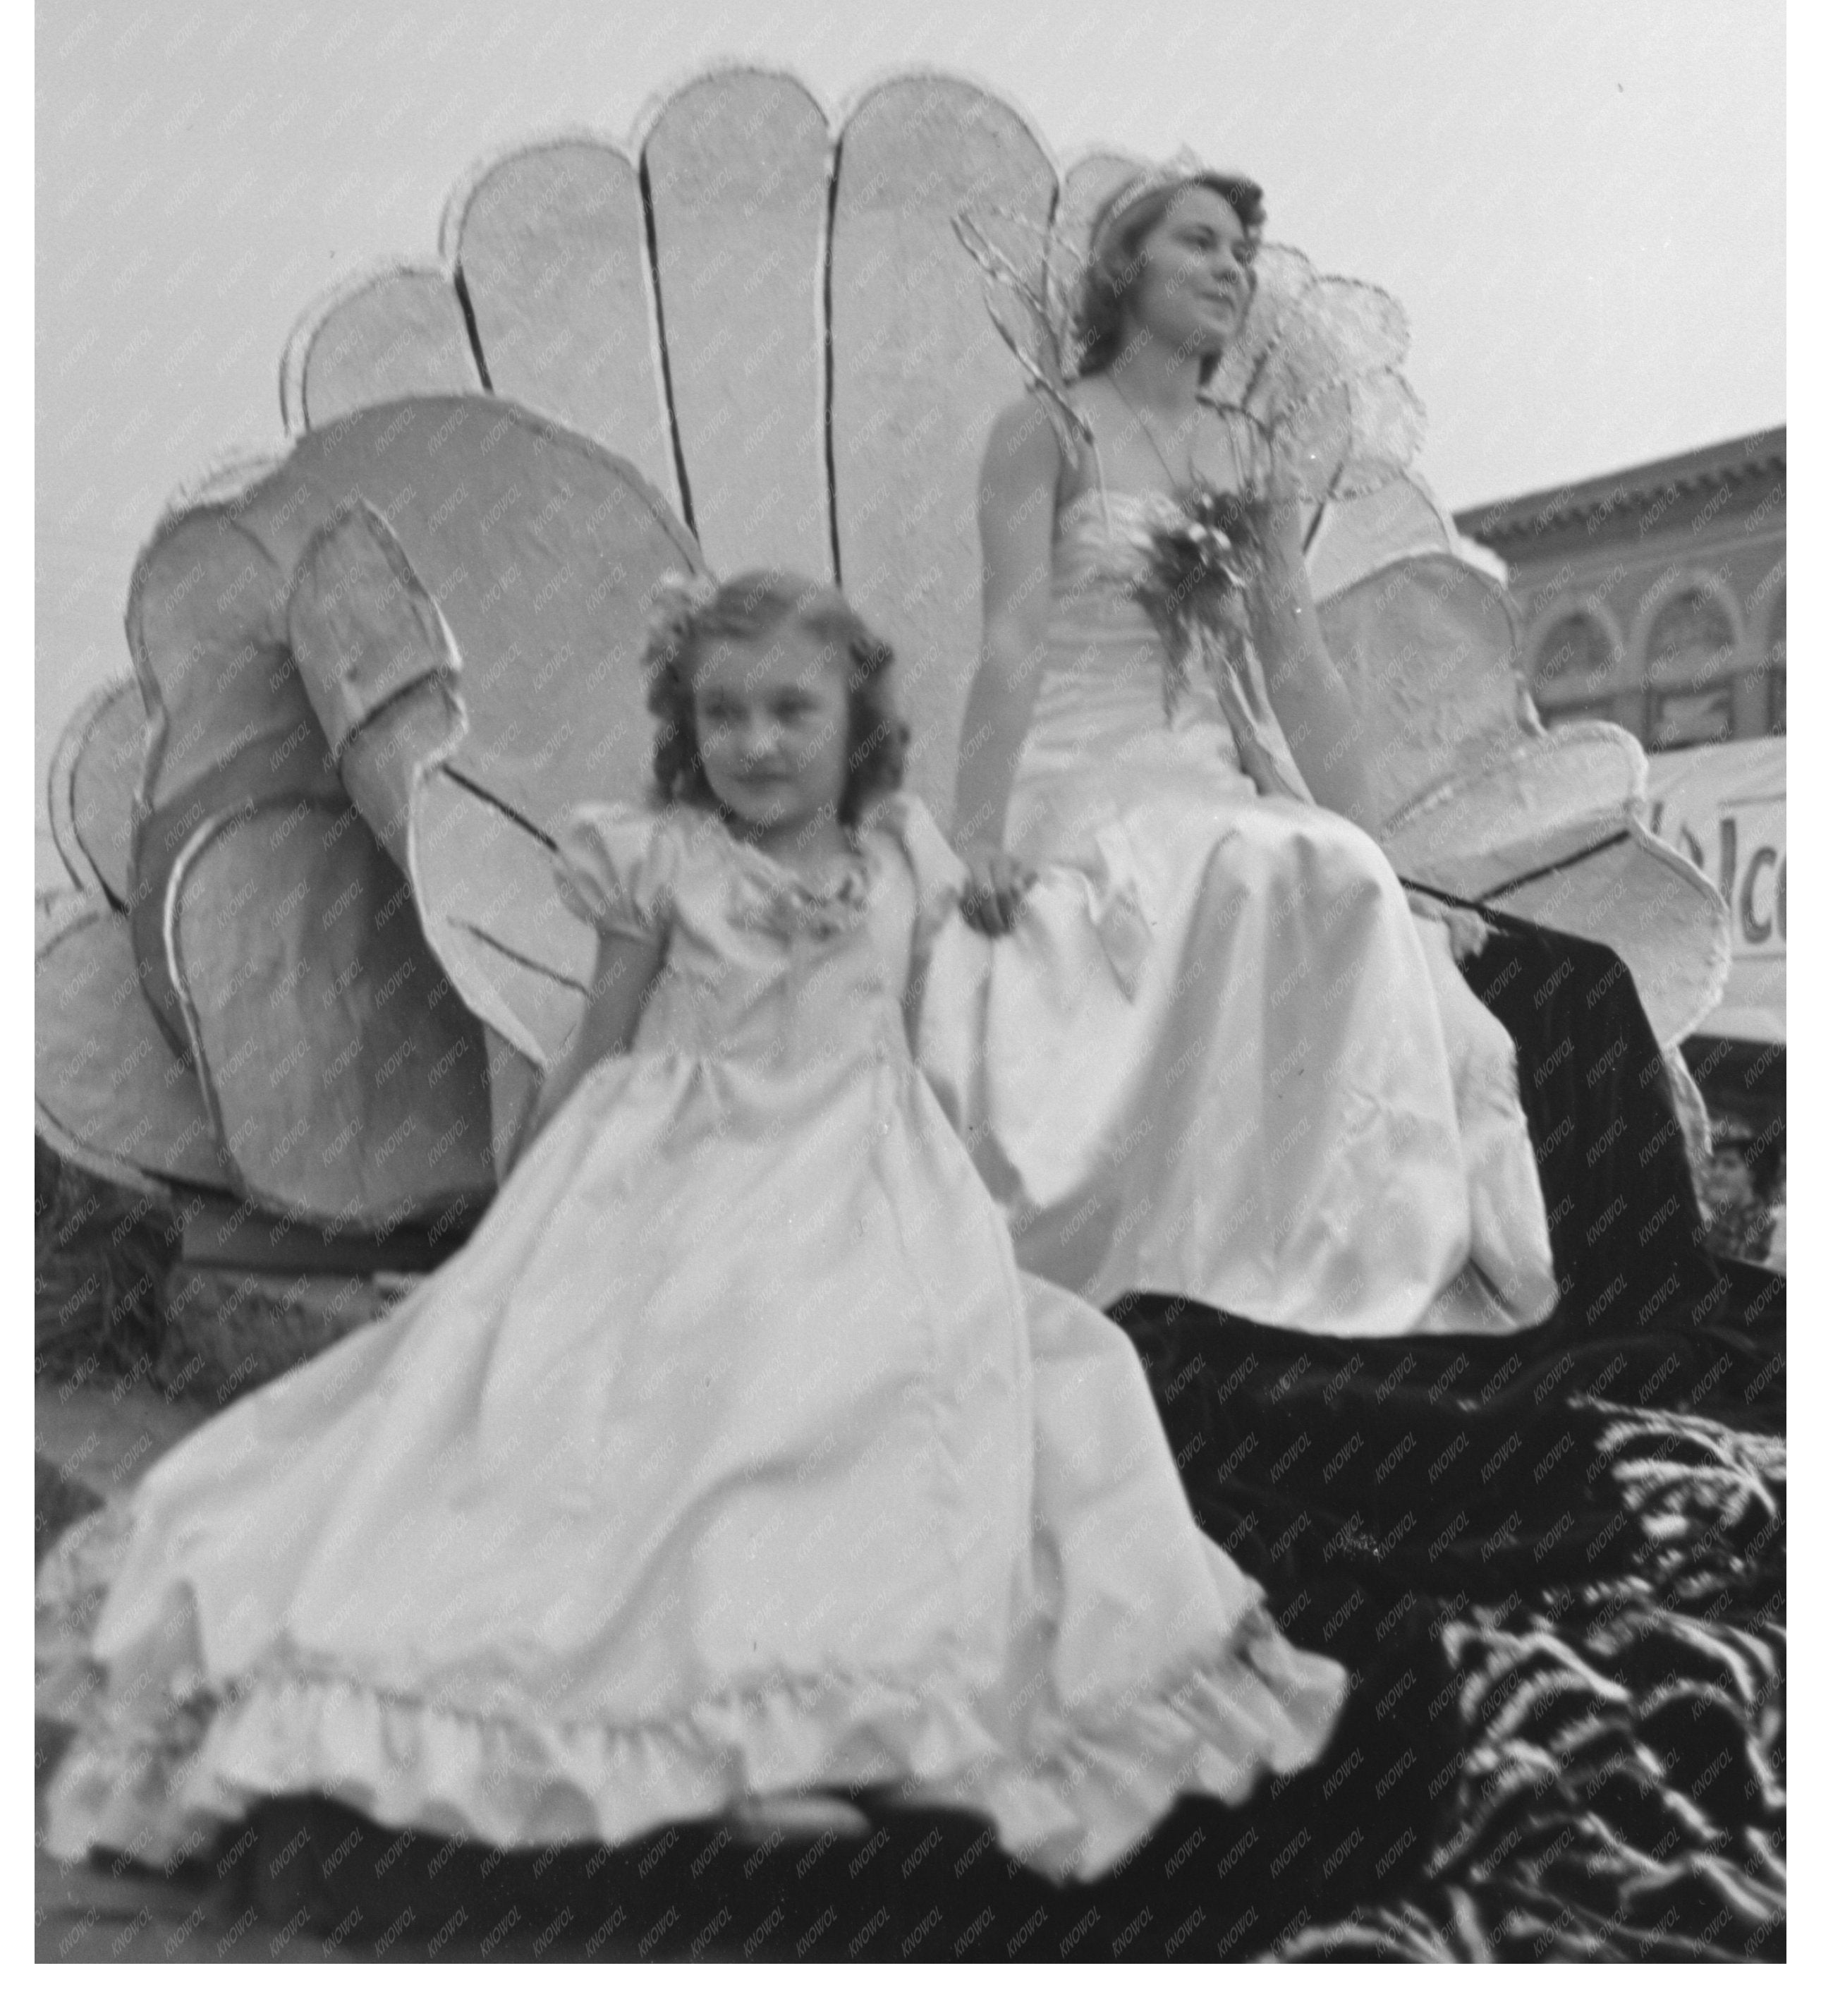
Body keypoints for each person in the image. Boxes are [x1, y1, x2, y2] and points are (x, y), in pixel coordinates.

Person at [38, 569, 1345, 1888]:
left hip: (865, 1180)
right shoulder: (661, 862)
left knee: (1020, 1387)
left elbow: (938, 1045)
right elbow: (595, 1046)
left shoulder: (899, 856)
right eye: (724, 715)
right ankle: (726, 1731)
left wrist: (976, 1196)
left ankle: (863, 1709)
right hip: (680, 1179)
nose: (757, 743)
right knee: (708, 1402)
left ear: (858, 725)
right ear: (686, 727)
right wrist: (507, 1239)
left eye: (792, 711)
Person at [923, 157, 1559, 1340]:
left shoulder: (1250, 457)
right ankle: (1172, 1253)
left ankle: (1324, 1262)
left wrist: (1385, 856)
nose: (1230, 271)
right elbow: (1009, 641)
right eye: (1200, 244)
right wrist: (977, 829)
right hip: (1081, 768)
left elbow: (1297, 664)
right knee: (1239, 862)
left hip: (1207, 773)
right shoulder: (1044, 430)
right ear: (1126, 270)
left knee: (1329, 869)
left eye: (1240, 254)